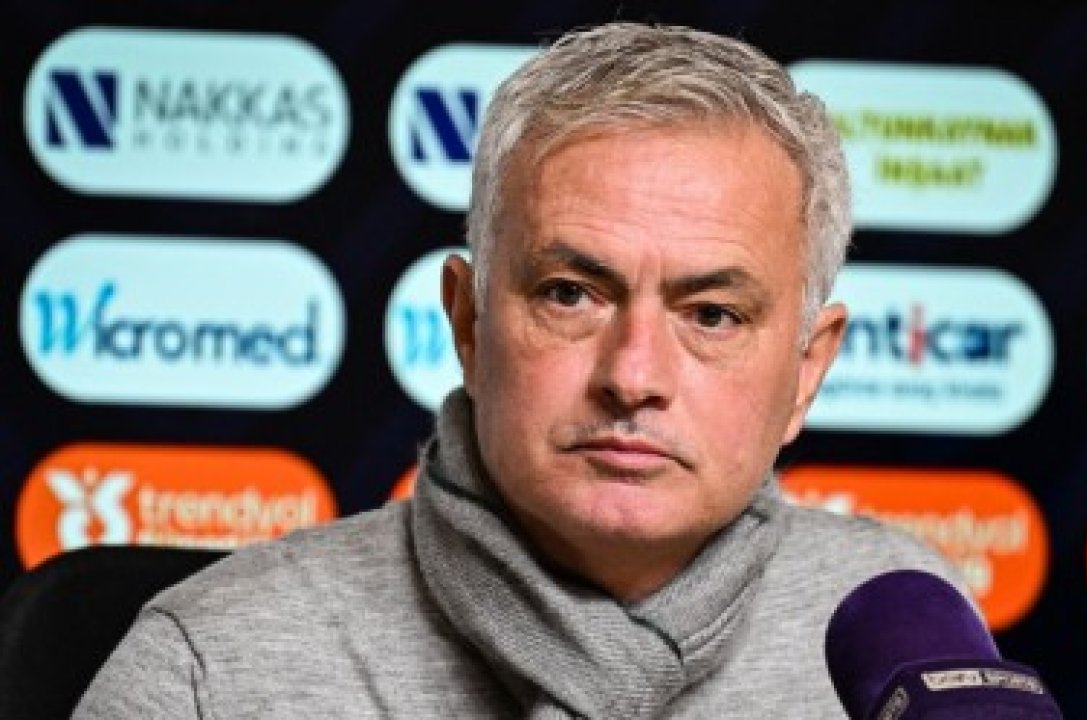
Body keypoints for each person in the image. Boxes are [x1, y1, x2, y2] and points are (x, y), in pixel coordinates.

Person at [75, 22, 964, 718]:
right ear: (467, 323)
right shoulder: (208, 672)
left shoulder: (909, 636)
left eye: (712, 315)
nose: (633, 376)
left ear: (807, 371)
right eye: (571, 295)